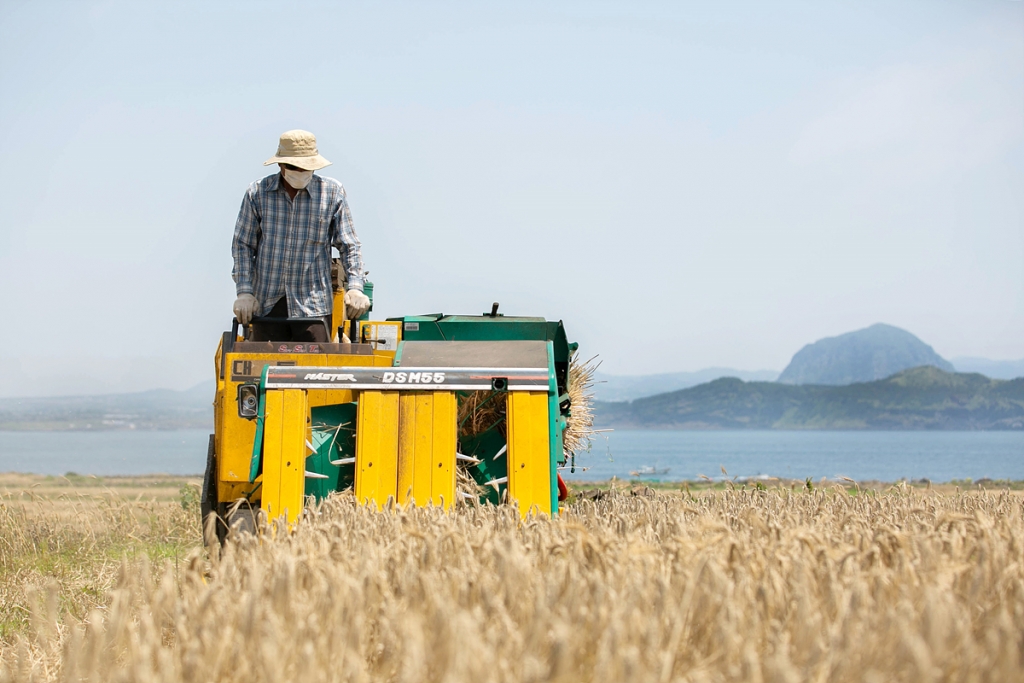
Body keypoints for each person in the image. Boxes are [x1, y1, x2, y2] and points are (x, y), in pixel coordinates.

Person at [231, 129, 370, 342]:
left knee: (315, 371)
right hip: (267, 302)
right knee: (263, 368)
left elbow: (349, 244)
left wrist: (355, 287)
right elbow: (243, 245)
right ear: (281, 165)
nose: (300, 172)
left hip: (312, 306)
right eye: (294, 167)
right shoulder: (258, 193)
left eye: (306, 168)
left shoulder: (331, 193)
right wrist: (244, 292)